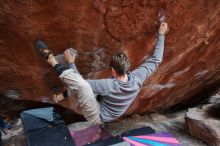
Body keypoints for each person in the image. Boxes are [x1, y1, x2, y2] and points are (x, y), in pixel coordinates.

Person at [38, 22, 168, 124]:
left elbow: (79, 83)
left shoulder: (109, 85)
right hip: (109, 107)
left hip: (97, 116)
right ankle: (61, 96)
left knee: (82, 86)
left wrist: (71, 62)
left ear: (112, 70)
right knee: (86, 87)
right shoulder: (138, 77)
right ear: (127, 68)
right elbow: (156, 59)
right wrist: (161, 34)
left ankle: (52, 60)